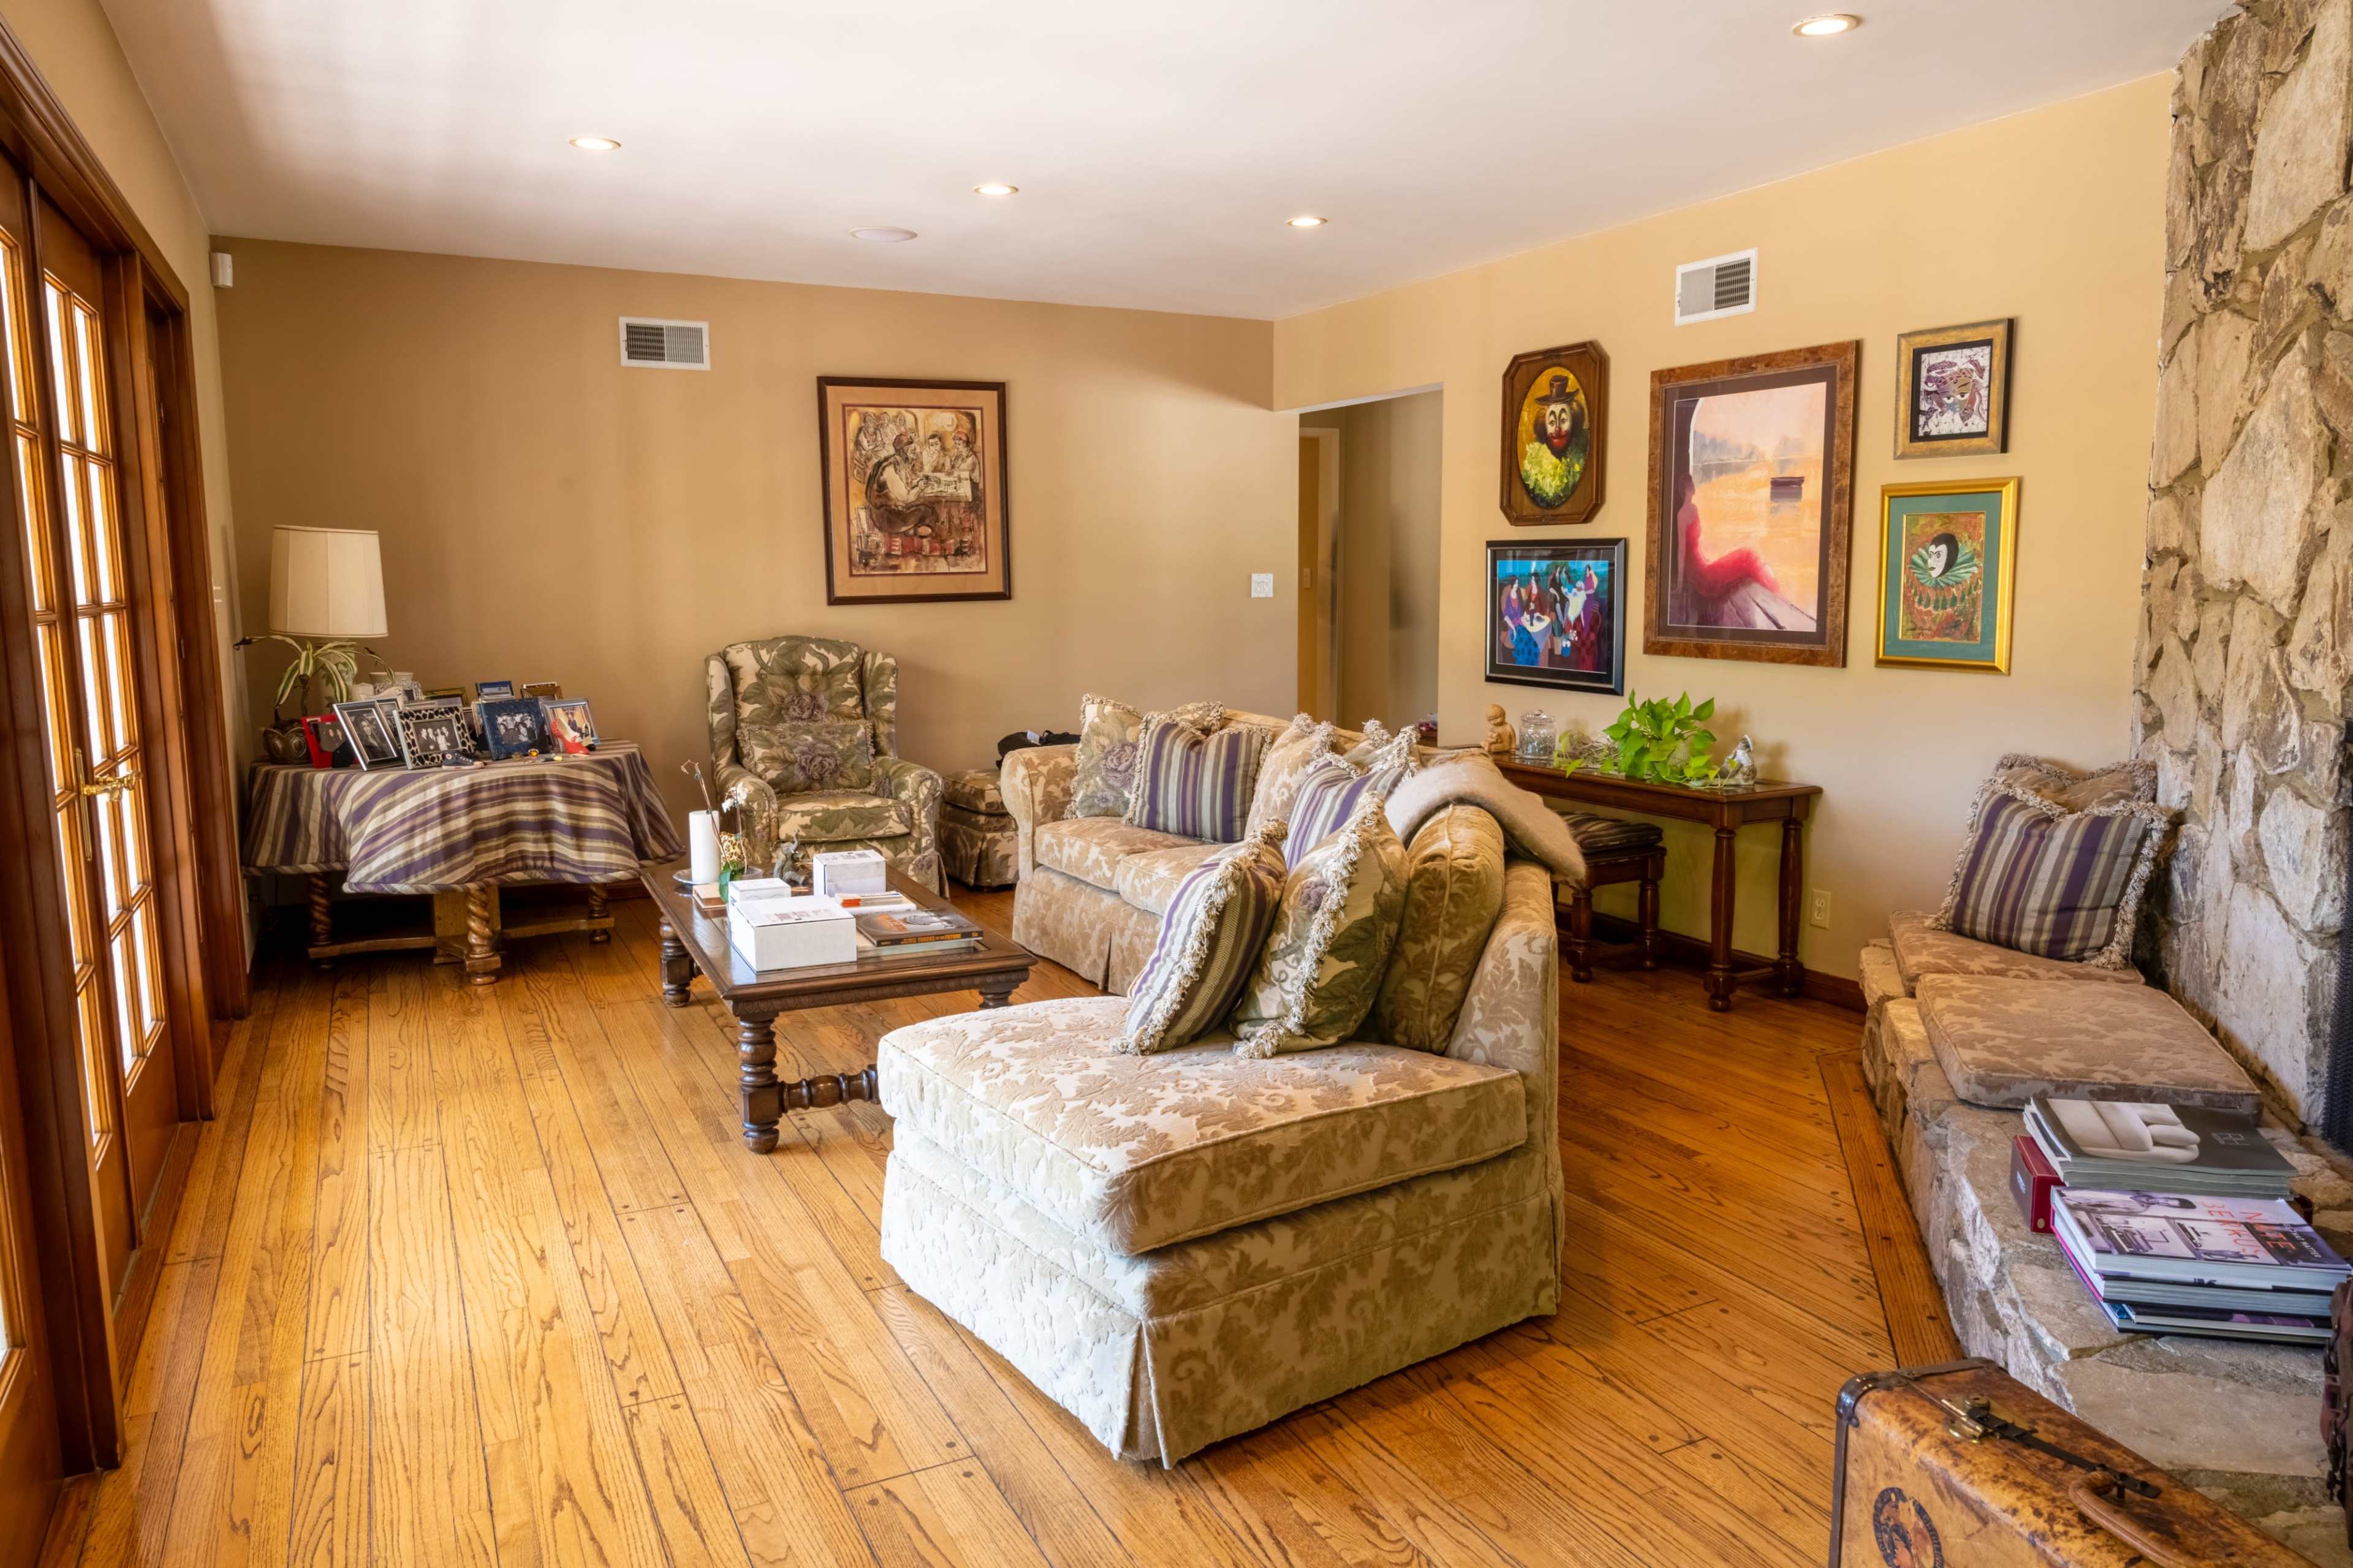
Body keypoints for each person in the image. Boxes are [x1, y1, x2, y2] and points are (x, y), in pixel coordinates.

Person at [1675, 474, 1781, 603]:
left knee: (1748, 556)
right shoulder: (1682, 515)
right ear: (1686, 489)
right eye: (1691, 484)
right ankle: (1777, 596)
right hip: (1701, 576)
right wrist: (1680, 583)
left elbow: (1696, 544)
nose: (1694, 486)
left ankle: (1777, 594)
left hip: (1703, 565)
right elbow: (1682, 549)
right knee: (1748, 556)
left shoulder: (1694, 509)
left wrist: (1707, 560)